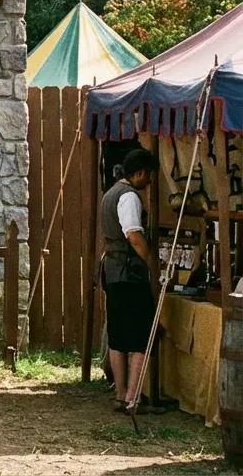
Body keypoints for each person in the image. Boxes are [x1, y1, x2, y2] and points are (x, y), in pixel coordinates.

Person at [101, 148, 162, 415]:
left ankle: (120, 396)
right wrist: (152, 263)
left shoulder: (110, 193)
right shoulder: (128, 197)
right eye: (148, 175)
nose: (149, 181)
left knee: (118, 335)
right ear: (139, 173)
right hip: (129, 274)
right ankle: (131, 398)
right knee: (138, 335)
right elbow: (134, 236)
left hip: (114, 271)